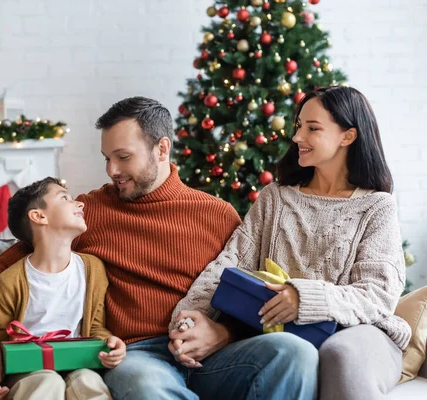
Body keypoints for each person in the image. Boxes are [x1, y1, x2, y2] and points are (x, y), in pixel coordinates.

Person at [0, 96, 318, 400]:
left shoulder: (217, 214)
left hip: (215, 354)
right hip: (137, 354)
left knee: (294, 352)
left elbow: (250, 296)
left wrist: (224, 333)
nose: (112, 170)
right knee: (143, 382)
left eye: (123, 157)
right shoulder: (91, 212)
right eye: (107, 158)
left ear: (161, 149)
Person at [171, 86, 411, 399]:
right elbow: (230, 262)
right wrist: (189, 317)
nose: (297, 137)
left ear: (347, 136)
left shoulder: (376, 206)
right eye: (298, 126)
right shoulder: (276, 197)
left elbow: (378, 295)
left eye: (312, 128)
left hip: (361, 333)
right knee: (289, 351)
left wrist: (304, 298)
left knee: (340, 352)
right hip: (283, 337)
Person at [0, 177, 125, 400]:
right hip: (28, 371)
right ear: (39, 216)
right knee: (48, 382)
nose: (80, 203)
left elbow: (95, 326)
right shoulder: (10, 281)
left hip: (79, 364)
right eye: (65, 198)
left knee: (88, 382)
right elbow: (2, 340)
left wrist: (110, 343)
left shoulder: (93, 269)